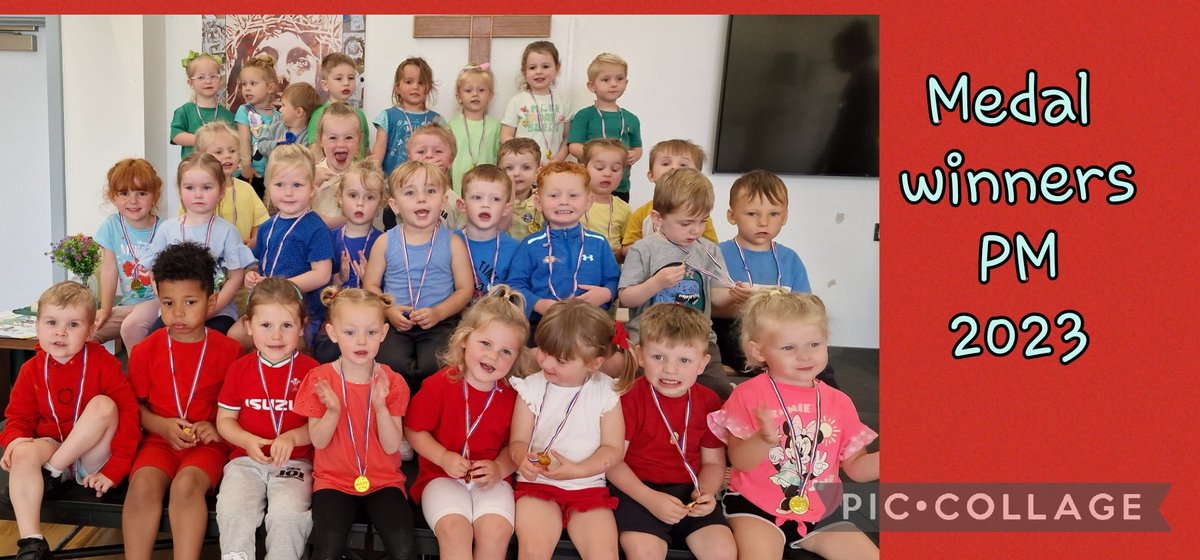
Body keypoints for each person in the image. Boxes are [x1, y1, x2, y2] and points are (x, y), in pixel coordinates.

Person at [708, 291, 879, 560]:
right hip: (756, 507)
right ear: (758, 351)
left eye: (814, 344)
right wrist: (763, 440)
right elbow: (740, 461)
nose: (804, 356)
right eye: (789, 348)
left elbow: (856, 468)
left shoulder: (839, 401)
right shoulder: (748, 395)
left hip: (823, 510)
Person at [0, 282, 140, 560]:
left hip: (93, 455)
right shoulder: (31, 370)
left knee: (103, 405)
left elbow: (129, 418)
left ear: (90, 331)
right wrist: (14, 442)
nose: (60, 332)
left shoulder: (105, 364)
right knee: (24, 451)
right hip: (54, 446)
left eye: (73, 325)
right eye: (51, 322)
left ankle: (50, 472)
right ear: (37, 327)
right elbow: (17, 417)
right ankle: (32, 543)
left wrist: (116, 469)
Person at [122, 242, 243, 560]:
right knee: (142, 486)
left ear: (211, 301)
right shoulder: (145, 350)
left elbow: (238, 408)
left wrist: (216, 426)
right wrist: (161, 426)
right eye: (168, 303)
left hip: (209, 444)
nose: (178, 312)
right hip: (159, 441)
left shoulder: (229, 351)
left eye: (190, 302)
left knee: (186, 486)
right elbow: (133, 407)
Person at [405, 285, 531, 560]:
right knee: (455, 530)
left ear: (516, 358)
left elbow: (516, 446)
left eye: (506, 351)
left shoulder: (516, 396)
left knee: (496, 531)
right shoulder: (440, 384)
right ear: (464, 339)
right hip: (441, 474)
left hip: (492, 479)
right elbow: (414, 430)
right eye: (485, 343)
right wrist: (443, 457)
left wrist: (500, 468)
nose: (493, 356)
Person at [508, 299, 637, 560]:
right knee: (533, 551)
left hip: (588, 486)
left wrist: (579, 470)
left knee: (603, 555)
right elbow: (518, 440)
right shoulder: (530, 387)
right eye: (544, 350)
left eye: (561, 360)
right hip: (538, 484)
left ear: (594, 363)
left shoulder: (606, 391)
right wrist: (522, 459)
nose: (546, 363)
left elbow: (613, 449)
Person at [293, 287, 415, 560]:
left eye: (371, 332)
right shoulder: (320, 379)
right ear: (333, 333)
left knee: (404, 548)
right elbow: (319, 441)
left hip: (384, 481)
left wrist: (380, 406)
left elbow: (392, 446)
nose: (361, 341)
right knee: (328, 547)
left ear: (383, 333)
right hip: (333, 481)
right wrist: (333, 410)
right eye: (350, 332)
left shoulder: (392, 381)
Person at [607, 304, 736, 560]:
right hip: (636, 492)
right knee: (645, 553)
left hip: (690, 491)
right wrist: (649, 498)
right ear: (640, 355)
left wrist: (706, 494)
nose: (670, 369)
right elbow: (612, 463)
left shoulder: (709, 401)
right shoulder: (628, 397)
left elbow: (713, 462)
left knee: (723, 551)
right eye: (658, 357)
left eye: (684, 360)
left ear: (702, 363)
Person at [215, 277, 320, 560]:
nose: (276, 336)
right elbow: (225, 420)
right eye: (265, 325)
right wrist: (246, 440)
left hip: (295, 462)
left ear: (302, 326)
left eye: (286, 325)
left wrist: (292, 438)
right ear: (248, 325)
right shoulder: (239, 369)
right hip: (245, 460)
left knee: (288, 514)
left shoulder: (313, 372)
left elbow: (319, 428)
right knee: (233, 509)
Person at [618, 168, 745, 399]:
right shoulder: (643, 249)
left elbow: (716, 296)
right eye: (686, 223)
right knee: (636, 396)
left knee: (719, 392)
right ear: (658, 218)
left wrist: (733, 295)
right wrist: (656, 283)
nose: (695, 230)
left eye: (702, 221)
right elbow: (626, 298)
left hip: (698, 342)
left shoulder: (709, 250)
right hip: (649, 342)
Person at [363, 161, 474, 398]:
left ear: (443, 201)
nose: (421, 199)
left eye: (430, 191)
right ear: (394, 205)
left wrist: (439, 313)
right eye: (410, 193)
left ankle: (429, 408)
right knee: (390, 363)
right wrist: (387, 310)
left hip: (440, 320)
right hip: (395, 320)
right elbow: (370, 285)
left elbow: (465, 289)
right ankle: (397, 409)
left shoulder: (453, 242)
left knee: (438, 364)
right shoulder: (385, 241)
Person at [140, 153, 258, 336]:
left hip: (217, 312)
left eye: (206, 187)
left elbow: (235, 277)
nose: (198, 194)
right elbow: (154, 272)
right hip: (175, 313)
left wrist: (210, 309)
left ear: (221, 191)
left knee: (216, 343)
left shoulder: (227, 231)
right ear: (180, 190)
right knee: (154, 340)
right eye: (189, 187)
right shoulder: (167, 229)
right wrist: (167, 303)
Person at [713, 170, 814, 375]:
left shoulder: (790, 259)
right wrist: (732, 298)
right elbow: (706, 306)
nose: (763, 222)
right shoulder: (716, 254)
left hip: (781, 333)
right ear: (732, 216)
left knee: (816, 356)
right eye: (752, 214)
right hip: (734, 331)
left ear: (785, 217)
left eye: (774, 214)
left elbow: (805, 309)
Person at [239, 144, 335, 348]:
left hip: (301, 311)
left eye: (297, 185)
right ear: (268, 186)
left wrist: (282, 286)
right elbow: (257, 263)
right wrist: (251, 274)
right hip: (265, 307)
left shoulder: (316, 228)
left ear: (312, 189)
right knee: (234, 337)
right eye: (280, 184)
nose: (288, 192)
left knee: (287, 348)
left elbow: (322, 275)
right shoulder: (267, 226)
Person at [506, 162, 620, 329]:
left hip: (590, 326)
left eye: (573, 195)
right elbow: (515, 285)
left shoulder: (599, 243)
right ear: (538, 202)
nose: (564, 202)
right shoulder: (529, 245)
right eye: (554, 195)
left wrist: (607, 293)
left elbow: (614, 279)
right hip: (541, 327)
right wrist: (538, 304)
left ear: (588, 201)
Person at [91, 158, 163, 349]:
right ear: (113, 196)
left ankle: (137, 370)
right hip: (128, 304)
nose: (133, 201)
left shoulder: (165, 230)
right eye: (124, 193)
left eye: (142, 193)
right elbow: (109, 269)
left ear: (155, 195)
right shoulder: (112, 225)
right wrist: (105, 309)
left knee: (132, 326)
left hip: (157, 303)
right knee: (87, 330)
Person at [620, 140, 719, 259]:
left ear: (697, 175)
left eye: (683, 165)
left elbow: (713, 249)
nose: (674, 168)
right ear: (651, 175)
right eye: (666, 163)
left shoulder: (700, 216)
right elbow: (627, 250)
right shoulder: (641, 214)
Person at [567, 53, 643, 202]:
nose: (614, 84)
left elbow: (637, 147)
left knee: (618, 215)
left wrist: (635, 154)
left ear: (626, 82)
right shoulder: (584, 115)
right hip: (588, 184)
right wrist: (600, 157)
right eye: (606, 79)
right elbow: (574, 146)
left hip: (620, 185)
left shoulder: (631, 118)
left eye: (619, 79)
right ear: (592, 86)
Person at [194, 121, 270, 247]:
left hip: (241, 255)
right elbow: (185, 225)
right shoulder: (196, 192)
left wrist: (254, 240)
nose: (227, 156)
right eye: (219, 152)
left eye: (232, 151)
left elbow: (261, 222)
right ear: (202, 157)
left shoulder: (246, 189)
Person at [382, 124, 466, 231]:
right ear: (409, 159)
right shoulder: (402, 194)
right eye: (421, 151)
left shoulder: (455, 203)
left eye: (438, 151)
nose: (429, 155)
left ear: (450, 161)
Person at [501, 41, 572, 163]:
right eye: (532, 67)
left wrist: (557, 160)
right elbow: (506, 136)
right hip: (524, 166)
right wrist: (523, 158)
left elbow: (568, 138)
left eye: (545, 66)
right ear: (524, 71)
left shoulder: (563, 102)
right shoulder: (517, 101)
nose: (539, 71)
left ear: (557, 68)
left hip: (553, 167)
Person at [372, 57, 444, 177]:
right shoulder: (387, 117)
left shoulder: (437, 120)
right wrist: (372, 177)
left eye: (421, 83)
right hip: (392, 182)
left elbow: (444, 155)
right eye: (409, 82)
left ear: (428, 88)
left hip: (427, 181)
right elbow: (378, 153)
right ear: (397, 88)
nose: (415, 86)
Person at [456, 164, 519, 300]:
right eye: (477, 197)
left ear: (506, 209)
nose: (486, 204)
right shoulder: (449, 243)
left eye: (495, 199)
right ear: (462, 205)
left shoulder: (516, 249)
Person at [312, 101, 366, 229]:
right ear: (320, 140)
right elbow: (297, 209)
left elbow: (369, 211)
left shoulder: (363, 176)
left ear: (359, 140)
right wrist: (312, 186)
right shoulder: (312, 174)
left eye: (348, 138)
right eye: (333, 138)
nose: (341, 144)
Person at [449, 63, 502, 192]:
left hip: (488, 186)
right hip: (457, 188)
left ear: (490, 96)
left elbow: (500, 158)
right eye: (468, 90)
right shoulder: (451, 126)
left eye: (481, 90)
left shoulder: (496, 126)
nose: (475, 94)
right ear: (459, 97)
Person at [171, 50, 234, 158]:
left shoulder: (228, 115)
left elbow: (233, 143)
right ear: (191, 83)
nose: (208, 81)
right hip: (193, 166)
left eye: (213, 76)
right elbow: (176, 136)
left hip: (219, 166)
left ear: (220, 80)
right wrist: (204, 140)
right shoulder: (184, 111)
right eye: (201, 77)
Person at [304, 52, 371, 154]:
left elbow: (365, 149)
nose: (346, 83)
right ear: (325, 85)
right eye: (339, 78)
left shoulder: (360, 115)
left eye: (351, 78)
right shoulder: (319, 114)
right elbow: (315, 150)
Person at [235, 53, 281, 199]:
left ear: (270, 88)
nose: (247, 88)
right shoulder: (244, 110)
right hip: (251, 173)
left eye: (253, 84)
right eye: (244, 84)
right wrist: (246, 165)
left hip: (272, 175)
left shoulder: (278, 116)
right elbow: (244, 140)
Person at [580, 138, 632, 257]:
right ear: (583, 169)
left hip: (611, 267)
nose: (607, 173)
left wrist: (621, 253)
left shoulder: (624, 209)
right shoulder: (572, 203)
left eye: (615, 169)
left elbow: (628, 244)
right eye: (599, 168)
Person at [257, 82, 321, 160]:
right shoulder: (276, 127)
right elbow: (261, 144)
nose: (280, 109)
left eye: (283, 105)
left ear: (299, 112)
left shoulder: (307, 137)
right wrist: (276, 143)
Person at [498, 137, 544, 241]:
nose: (517, 173)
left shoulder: (543, 202)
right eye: (509, 168)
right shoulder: (494, 202)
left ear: (537, 172)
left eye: (526, 167)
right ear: (499, 172)